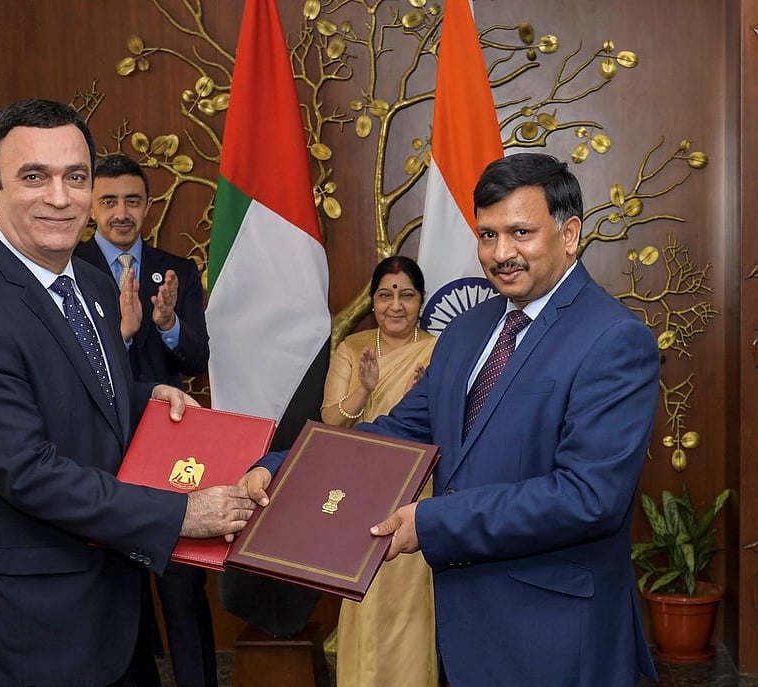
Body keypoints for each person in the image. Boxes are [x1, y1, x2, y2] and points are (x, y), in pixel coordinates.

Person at [244, 153, 660, 686]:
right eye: (487, 235)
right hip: (463, 630)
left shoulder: (613, 339)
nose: (501, 254)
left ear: (570, 233)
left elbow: (588, 498)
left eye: (520, 233)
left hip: (556, 636)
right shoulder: (466, 333)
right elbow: (393, 435)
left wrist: (433, 522)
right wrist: (284, 467)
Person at [0, 98, 255, 687]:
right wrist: (181, 513)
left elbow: (81, 392)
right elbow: (28, 471)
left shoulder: (95, 288)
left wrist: (143, 393)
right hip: (29, 630)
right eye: (34, 177)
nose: (59, 196)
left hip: (113, 612)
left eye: (75, 177)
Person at [75, 153, 216, 687]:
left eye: (132, 200)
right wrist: (126, 336)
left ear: (148, 206)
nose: (121, 212)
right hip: (99, 451)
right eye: (108, 200)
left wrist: (170, 323)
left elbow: (198, 359)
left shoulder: (176, 269)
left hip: (169, 450)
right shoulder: (71, 269)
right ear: (92, 206)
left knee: (180, 589)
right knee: (117, 590)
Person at [320, 255, 438, 687]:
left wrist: (421, 397)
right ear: (372, 302)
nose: (396, 305)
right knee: (365, 598)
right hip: (362, 490)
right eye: (386, 295)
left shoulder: (438, 351)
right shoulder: (354, 349)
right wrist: (365, 390)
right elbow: (331, 425)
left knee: (410, 602)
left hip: (417, 494)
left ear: (421, 300)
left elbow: (447, 424)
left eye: (406, 295)